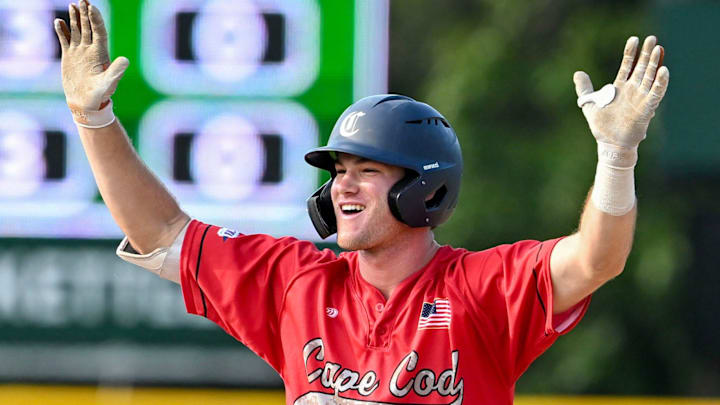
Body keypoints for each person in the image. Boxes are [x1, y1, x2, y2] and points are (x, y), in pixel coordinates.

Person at [53, 1, 669, 404]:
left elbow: (597, 260)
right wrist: (93, 117)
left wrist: (617, 157)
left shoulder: (479, 290)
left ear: (423, 187)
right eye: (338, 171)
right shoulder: (297, 285)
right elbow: (162, 230)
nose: (341, 186)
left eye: (366, 170)